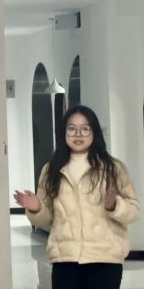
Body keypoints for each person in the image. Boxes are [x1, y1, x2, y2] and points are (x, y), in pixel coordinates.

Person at [14, 105, 139, 289]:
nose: (78, 134)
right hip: (65, 259)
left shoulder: (113, 168)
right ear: (63, 133)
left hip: (105, 259)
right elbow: (45, 219)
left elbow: (133, 212)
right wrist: (36, 208)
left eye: (85, 128)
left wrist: (115, 205)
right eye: (71, 128)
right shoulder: (51, 169)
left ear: (94, 132)